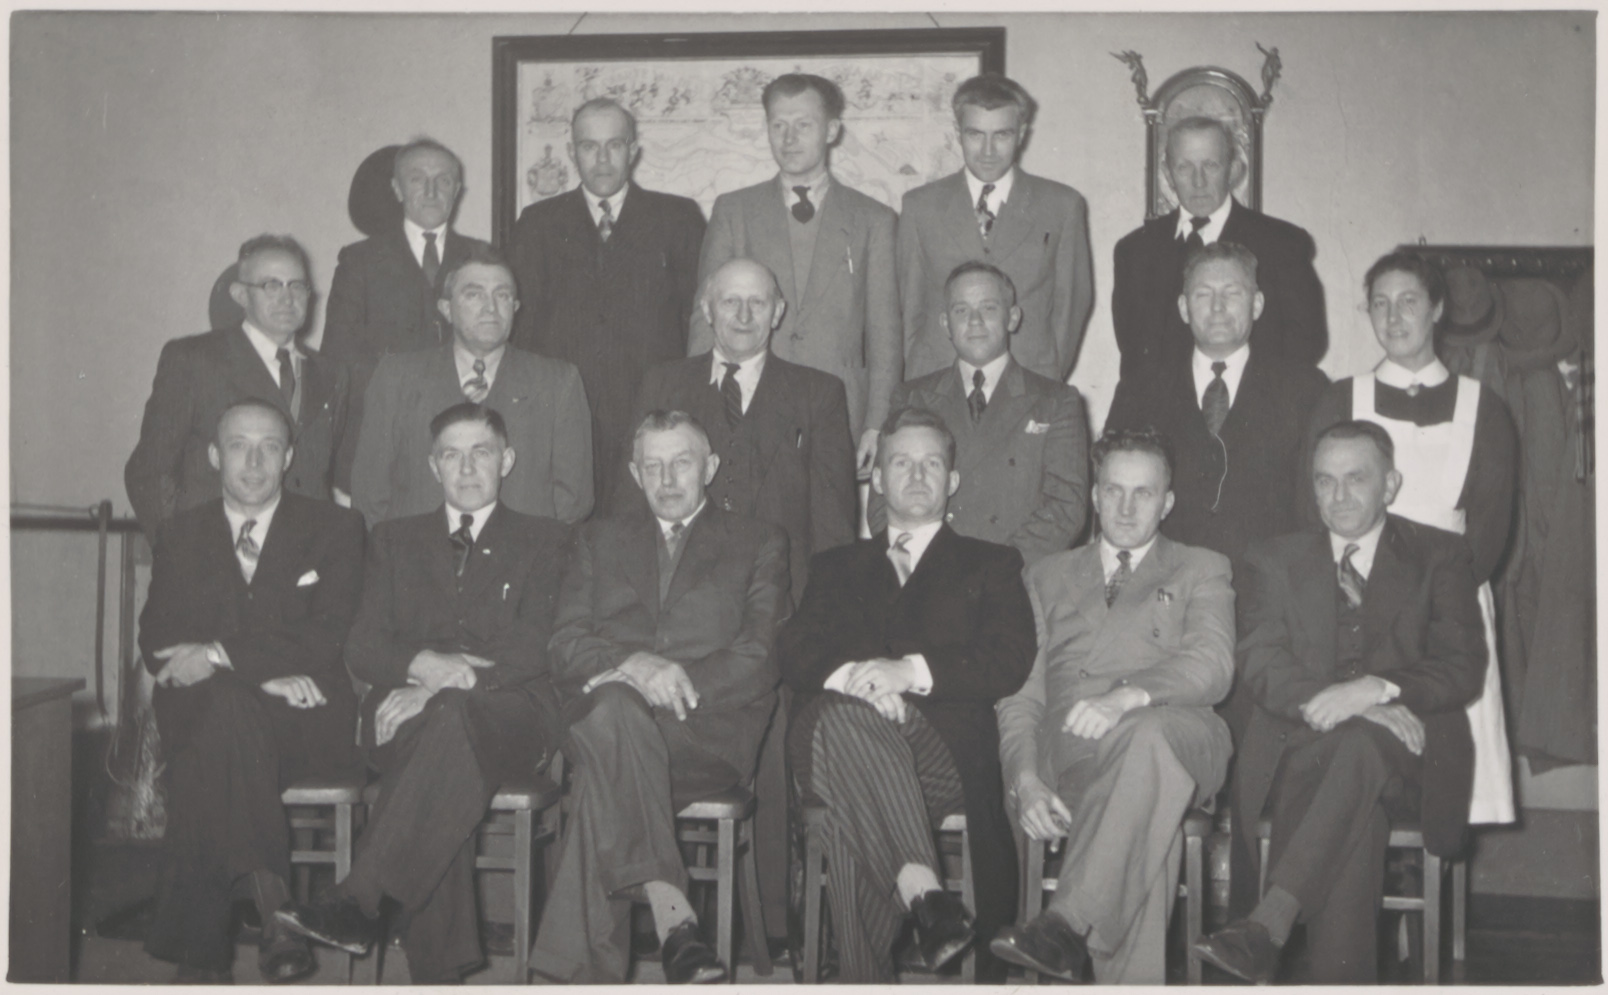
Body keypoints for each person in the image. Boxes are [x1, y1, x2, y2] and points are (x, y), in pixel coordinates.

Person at [276, 403, 572, 984]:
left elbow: (538, 644)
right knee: (447, 754)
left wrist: (444, 684)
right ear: (433, 465)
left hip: (512, 714)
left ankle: (361, 898)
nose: (467, 467)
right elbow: (363, 643)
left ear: (507, 460)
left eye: (481, 452)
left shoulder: (548, 540)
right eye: (451, 455)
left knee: (449, 729)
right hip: (403, 715)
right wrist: (422, 666)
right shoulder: (393, 539)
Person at [1195, 421, 1485, 983]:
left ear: (1390, 484)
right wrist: (1345, 702)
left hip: (1408, 757)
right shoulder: (1275, 559)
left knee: (1360, 750)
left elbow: (1462, 666)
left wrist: (1376, 688)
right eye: (1325, 481)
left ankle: (1267, 926)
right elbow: (1260, 660)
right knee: (1358, 814)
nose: (1339, 495)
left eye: (1356, 479)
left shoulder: (1439, 555)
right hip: (1299, 755)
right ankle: (1274, 929)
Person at [777, 407, 1037, 983]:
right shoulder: (834, 565)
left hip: (938, 754)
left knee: (849, 796)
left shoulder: (992, 564)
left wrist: (908, 672)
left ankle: (874, 962)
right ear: (876, 479)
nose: (917, 475)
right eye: (901, 463)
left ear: (953, 480)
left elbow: (1009, 660)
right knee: (846, 721)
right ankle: (923, 889)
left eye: (932, 464)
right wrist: (857, 680)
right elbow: (792, 649)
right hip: (834, 734)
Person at [530, 411, 790, 984]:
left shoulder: (758, 540)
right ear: (634, 473)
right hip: (609, 719)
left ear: (710, 467)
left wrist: (670, 682)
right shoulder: (597, 539)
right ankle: (675, 919)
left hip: (704, 733)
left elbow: (760, 656)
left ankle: (589, 964)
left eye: (682, 463)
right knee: (616, 710)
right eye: (653, 466)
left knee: (603, 775)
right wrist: (631, 664)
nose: (667, 479)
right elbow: (564, 642)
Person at [991, 427, 1234, 984]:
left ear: (1167, 502)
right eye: (1114, 491)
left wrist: (1126, 697)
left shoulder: (1202, 566)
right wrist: (1024, 780)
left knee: (1145, 739)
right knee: (1147, 826)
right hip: (1080, 760)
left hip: (1182, 736)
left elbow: (1213, 664)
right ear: (1095, 497)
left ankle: (1067, 922)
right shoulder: (1044, 575)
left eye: (1143, 493)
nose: (1126, 508)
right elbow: (1022, 694)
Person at [138, 399, 365, 983]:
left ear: (289, 457)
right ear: (215, 456)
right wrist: (262, 672)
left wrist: (220, 655)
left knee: (217, 730)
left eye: (270, 447)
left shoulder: (335, 528)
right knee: (225, 714)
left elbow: (326, 635)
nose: (255, 461)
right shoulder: (181, 533)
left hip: (302, 721)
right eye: (239, 446)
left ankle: (200, 959)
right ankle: (277, 913)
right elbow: (159, 640)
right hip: (216, 713)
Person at [1303, 252, 1519, 829]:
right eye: (1380, 303)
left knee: (1446, 780)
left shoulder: (1483, 407)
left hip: (1450, 607)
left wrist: (1433, 601)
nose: (1393, 317)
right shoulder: (1341, 398)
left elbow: (1491, 529)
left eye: (1408, 302)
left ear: (1437, 309)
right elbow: (1314, 510)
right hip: (1355, 599)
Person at [689, 72, 899, 475]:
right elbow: (705, 318)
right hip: (746, 404)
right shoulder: (734, 211)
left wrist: (878, 423)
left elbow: (885, 333)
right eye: (778, 126)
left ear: (832, 130)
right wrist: (697, 411)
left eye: (804, 125)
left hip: (840, 410)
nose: (789, 139)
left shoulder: (873, 219)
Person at [509, 98, 707, 508]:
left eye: (614, 145)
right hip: (562, 414)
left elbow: (697, 320)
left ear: (633, 150)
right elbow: (522, 330)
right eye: (589, 146)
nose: (602, 159)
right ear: (571, 151)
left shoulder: (678, 218)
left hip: (651, 411)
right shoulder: (537, 223)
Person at [625, 257, 855, 599]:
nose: (744, 316)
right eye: (730, 302)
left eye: (757, 303)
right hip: (677, 597)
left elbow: (833, 526)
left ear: (777, 312)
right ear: (707, 310)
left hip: (782, 597)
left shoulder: (818, 394)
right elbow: (631, 505)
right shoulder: (662, 384)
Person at [1106, 241, 1328, 566]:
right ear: (1184, 308)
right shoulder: (1139, 389)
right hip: (1165, 582)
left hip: (1271, 584)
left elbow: (1317, 505)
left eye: (1232, 293)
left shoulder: (1306, 390)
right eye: (1203, 294)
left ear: (1257, 304)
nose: (1218, 307)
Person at [349, 244, 593, 526]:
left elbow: (574, 501)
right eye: (474, 294)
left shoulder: (558, 383)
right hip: (419, 552)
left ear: (515, 308)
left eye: (502, 295)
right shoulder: (397, 378)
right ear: (446, 309)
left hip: (523, 552)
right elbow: (369, 496)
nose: (490, 308)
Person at [126, 234, 349, 543]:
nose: (287, 299)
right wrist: (179, 551)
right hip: (215, 555)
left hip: (303, 556)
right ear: (241, 295)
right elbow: (148, 472)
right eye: (271, 285)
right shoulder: (195, 360)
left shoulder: (331, 374)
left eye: (297, 286)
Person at [869, 261, 1088, 567]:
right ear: (945, 323)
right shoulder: (912, 397)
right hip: (929, 576)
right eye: (961, 310)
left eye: (988, 308)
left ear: (1012, 317)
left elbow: (1066, 508)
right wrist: (921, 569)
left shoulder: (1056, 401)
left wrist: (996, 569)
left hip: (1015, 576)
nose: (974, 321)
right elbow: (882, 503)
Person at [899, 73, 1094, 384]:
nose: (988, 151)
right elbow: (909, 309)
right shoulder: (920, 206)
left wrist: (1046, 374)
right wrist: (923, 375)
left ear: (1021, 134)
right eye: (975, 134)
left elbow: (1071, 306)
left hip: (1029, 380)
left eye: (1001, 135)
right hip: (938, 382)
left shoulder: (1061, 205)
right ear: (957, 133)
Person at [1112, 116, 1326, 380]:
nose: (1198, 181)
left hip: (1253, 401)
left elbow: (1307, 342)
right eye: (1184, 167)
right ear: (1167, 174)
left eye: (1210, 165)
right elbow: (1133, 353)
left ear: (1233, 169)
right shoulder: (1135, 251)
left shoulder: (1282, 244)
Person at [323, 138, 490, 473]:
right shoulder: (359, 261)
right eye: (417, 179)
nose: (431, 191)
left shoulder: (483, 257)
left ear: (456, 191)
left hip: (463, 440)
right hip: (383, 440)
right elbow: (339, 358)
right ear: (397, 189)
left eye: (443, 180)